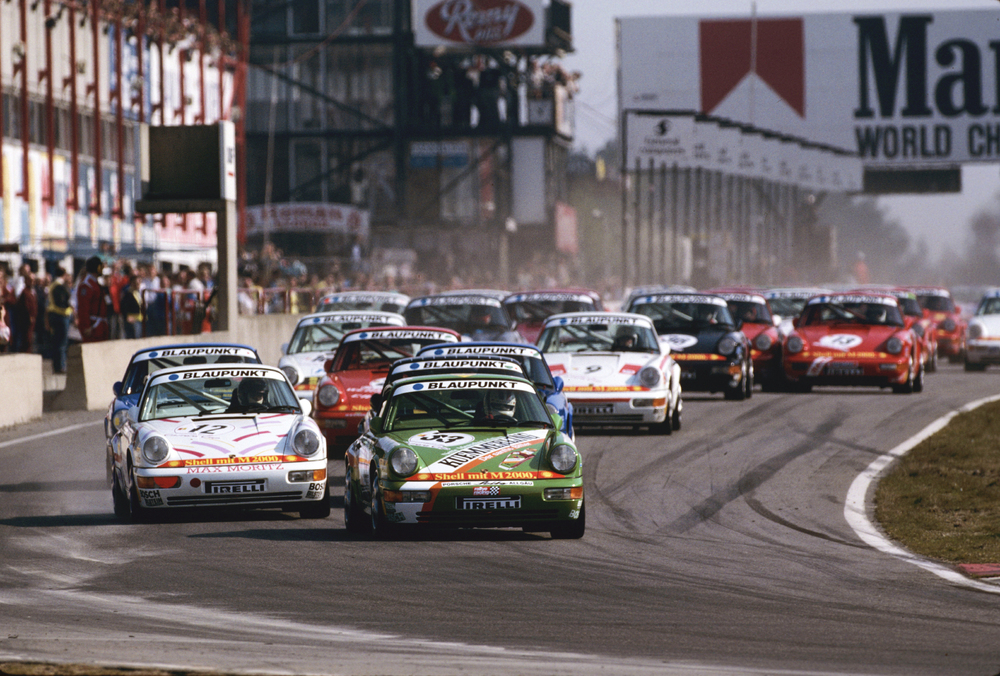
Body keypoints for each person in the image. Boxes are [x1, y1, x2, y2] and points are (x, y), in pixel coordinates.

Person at [46, 267, 73, 373]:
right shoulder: (59, 286)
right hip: (61, 315)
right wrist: (69, 306)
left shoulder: (52, 285)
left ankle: (58, 365)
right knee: (62, 343)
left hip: (54, 314)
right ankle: (60, 366)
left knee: (57, 342)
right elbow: (62, 301)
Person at [76, 256, 110, 342]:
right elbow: (83, 307)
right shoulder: (87, 284)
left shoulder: (95, 282)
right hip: (93, 326)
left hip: (100, 325)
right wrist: (86, 326)